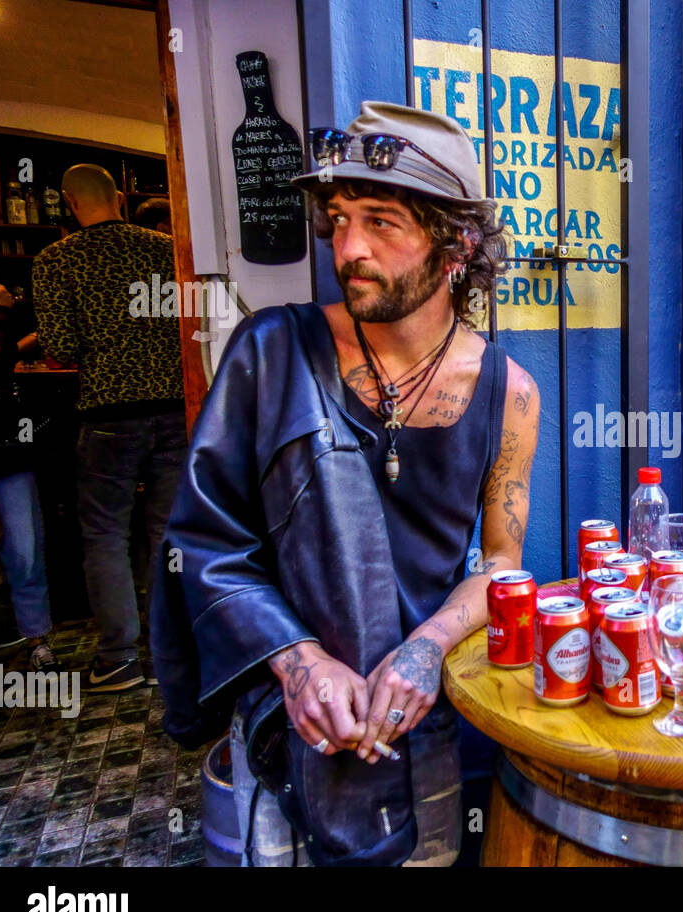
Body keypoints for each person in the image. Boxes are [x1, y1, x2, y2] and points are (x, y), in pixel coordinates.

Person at [150, 102, 539, 867]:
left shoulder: (510, 395)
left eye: (382, 222)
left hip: (418, 726)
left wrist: (424, 651)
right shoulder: (271, 353)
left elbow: (501, 565)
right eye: (338, 218)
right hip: (283, 723)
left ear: (457, 243)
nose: (348, 247)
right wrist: (299, 661)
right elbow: (198, 544)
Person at [32, 164, 187, 692]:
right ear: (119, 196)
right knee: (167, 533)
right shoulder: (167, 248)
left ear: (70, 203)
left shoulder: (56, 260)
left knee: (104, 536)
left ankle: (119, 659)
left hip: (107, 417)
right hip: (175, 410)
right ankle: (173, 647)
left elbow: (59, 349)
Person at [0, 226, 57, 671]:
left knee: (24, 542)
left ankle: (35, 636)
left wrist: (2, 315)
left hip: (7, 434)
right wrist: (0, 315)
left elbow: (1, 366)